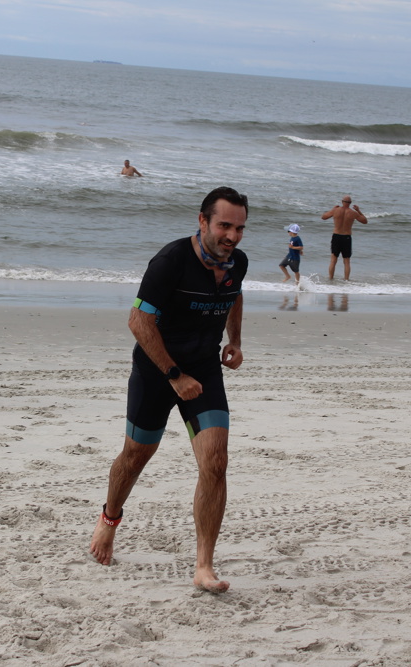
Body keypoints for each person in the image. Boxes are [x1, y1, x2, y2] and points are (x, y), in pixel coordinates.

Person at [89, 186, 249, 594]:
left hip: (204, 370)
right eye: (224, 226)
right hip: (157, 372)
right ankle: (109, 518)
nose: (232, 236)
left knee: (216, 461)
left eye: (239, 228)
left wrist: (235, 340)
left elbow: (235, 295)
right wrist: (174, 375)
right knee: (135, 456)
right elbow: (138, 321)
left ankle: (204, 566)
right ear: (202, 221)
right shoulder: (171, 261)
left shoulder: (237, 262)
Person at [321, 195, 367, 279]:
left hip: (336, 236)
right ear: (350, 203)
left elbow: (323, 217)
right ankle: (346, 280)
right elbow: (365, 221)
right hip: (346, 237)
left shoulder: (335, 210)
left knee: (333, 260)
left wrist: (332, 209)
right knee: (346, 261)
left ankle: (330, 278)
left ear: (342, 202)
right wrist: (358, 210)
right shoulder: (353, 213)